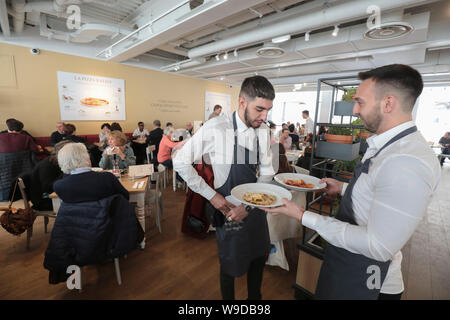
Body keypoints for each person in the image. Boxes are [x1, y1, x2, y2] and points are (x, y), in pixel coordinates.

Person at [263, 64, 441, 300]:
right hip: (347, 264)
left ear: (388, 103)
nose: (355, 109)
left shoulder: (406, 162)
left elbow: (378, 246)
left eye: (361, 102)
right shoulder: (387, 145)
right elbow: (377, 192)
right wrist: (344, 188)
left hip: (367, 282)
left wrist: (303, 215)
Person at [173, 75, 275, 300]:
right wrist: (211, 196)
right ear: (241, 102)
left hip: (255, 208)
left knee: (258, 257)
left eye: (268, 110)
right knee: (229, 264)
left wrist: (248, 207)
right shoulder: (216, 128)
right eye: (259, 109)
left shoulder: (264, 131)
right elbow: (180, 161)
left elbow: (267, 173)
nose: (264, 116)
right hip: (228, 209)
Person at [54, 143, 129, 203]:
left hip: (75, 221)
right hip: (106, 219)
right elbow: (126, 197)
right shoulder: (107, 178)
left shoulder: (59, 186)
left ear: (61, 162)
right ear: (86, 157)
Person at [28, 140, 71, 210]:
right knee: (79, 201)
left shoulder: (59, 162)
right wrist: (65, 173)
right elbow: (47, 187)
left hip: (52, 195)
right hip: (44, 200)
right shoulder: (48, 165)